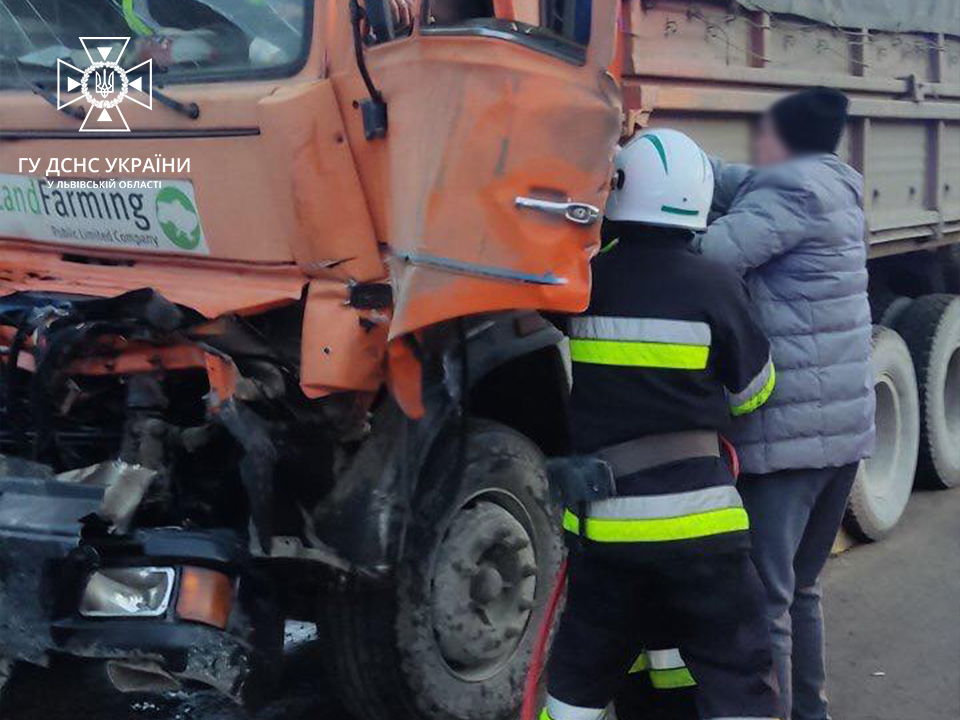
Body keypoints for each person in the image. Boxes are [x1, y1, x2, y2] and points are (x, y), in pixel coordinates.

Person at [541, 129, 780, 720]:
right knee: (734, 669)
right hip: (704, 525)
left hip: (607, 527)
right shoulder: (717, 283)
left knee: (581, 672)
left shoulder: (585, 284)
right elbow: (754, 394)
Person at [700, 87, 875, 720]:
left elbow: (711, 257)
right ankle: (811, 712)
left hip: (789, 440)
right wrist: (671, 157)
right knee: (802, 590)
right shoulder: (834, 183)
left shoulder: (790, 190)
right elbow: (742, 183)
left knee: (766, 600)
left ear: (779, 137)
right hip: (841, 432)